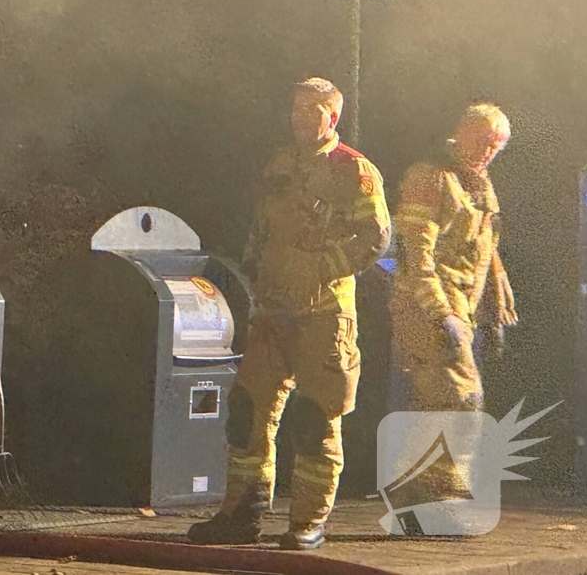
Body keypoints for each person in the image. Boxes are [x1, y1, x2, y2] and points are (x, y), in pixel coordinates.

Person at [187, 77, 391, 550]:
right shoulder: (280, 162)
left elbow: (376, 237)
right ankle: (242, 515)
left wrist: (323, 268)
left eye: (311, 109)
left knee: (316, 420)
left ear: (332, 117)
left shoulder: (354, 171)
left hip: (324, 315)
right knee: (246, 411)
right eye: (295, 107)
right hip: (274, 313)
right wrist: (253, 268)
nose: (300, 116)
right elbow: (262, 223)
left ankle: (306, 524)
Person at [388, 102, 518, 509]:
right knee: (461, 395)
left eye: (494, 145)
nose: (486, 151)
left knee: (435, 399)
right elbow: (415, 255)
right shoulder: (431, 179)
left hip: (459, 307)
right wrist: (442, 314)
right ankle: (443, 493)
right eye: (480, 140)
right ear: (460, 132)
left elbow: (482, 244)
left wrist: (496, 280)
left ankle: (413, 490)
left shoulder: (479, 186)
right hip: (426, 307)